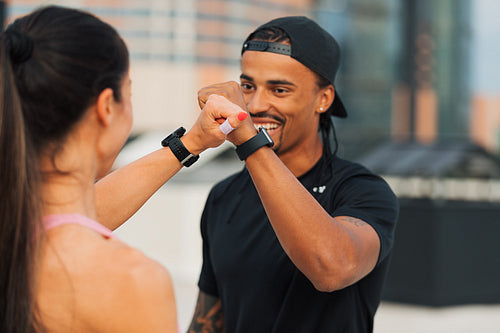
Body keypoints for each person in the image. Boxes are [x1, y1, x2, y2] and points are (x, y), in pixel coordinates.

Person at [0, 5, 247, 332]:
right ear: (106, 107)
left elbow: (76, 215)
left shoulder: (17, 233)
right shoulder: (132, 280)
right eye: (128, 92)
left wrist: (193, 141)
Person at [187, 16, 399, 333]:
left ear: (323, 99)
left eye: (279, 89)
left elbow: (331, 268)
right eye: (247, 86)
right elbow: (207, 321)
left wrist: (249, 141)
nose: (256, 104)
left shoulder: (362, 191)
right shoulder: (224, 196)